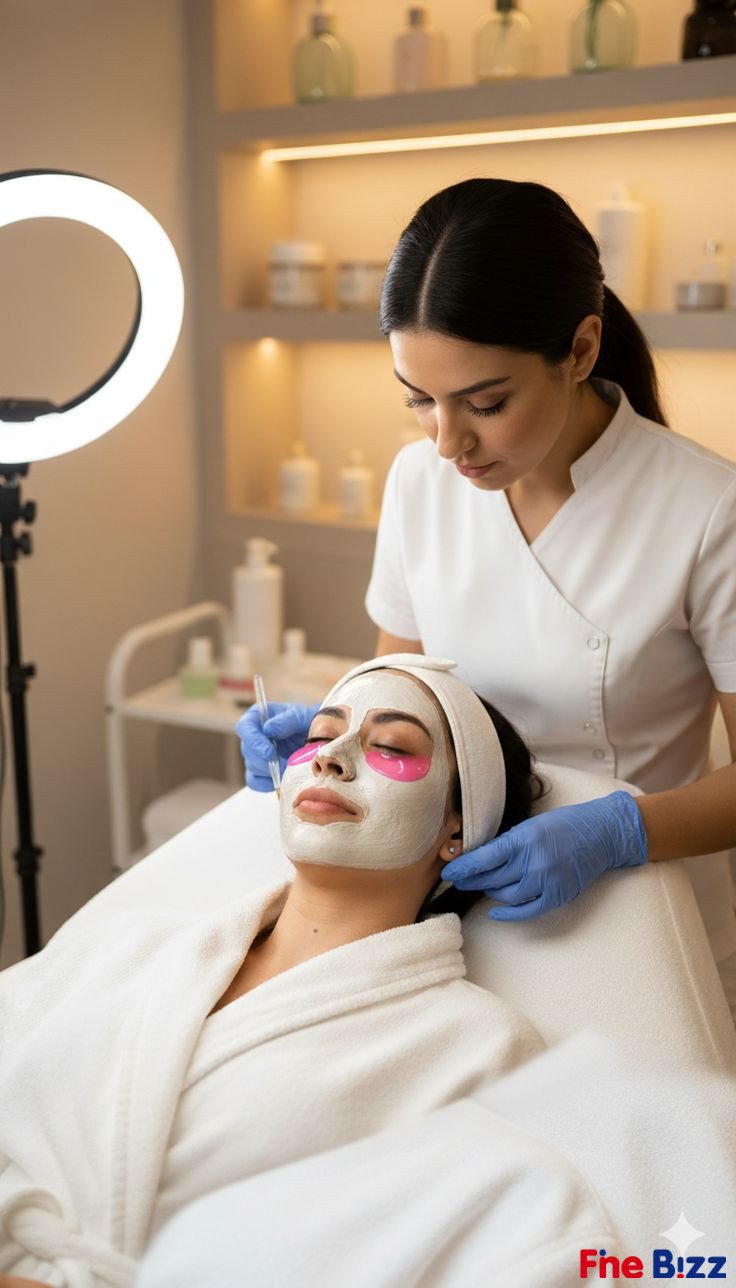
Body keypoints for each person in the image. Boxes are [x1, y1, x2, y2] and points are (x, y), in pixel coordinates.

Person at [240, 177, 736, 1016]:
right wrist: (332, 728)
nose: (448, 443)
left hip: (647, 913)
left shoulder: (709, 508)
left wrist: (622, 831)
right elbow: (401, 692)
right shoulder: (417, 482)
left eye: (486, 402)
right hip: (461, 902)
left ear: (581, 350)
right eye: (419, 401)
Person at [0, 656, 543, 1288]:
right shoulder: (127, 944)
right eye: (320, 734)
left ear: (459, 828)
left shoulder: (477, 1049)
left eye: (392, 746)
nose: (330, 757)